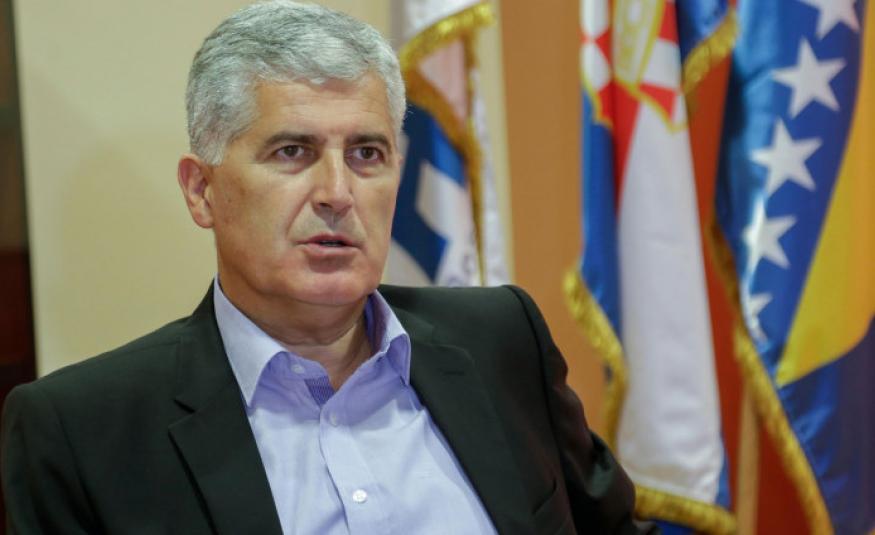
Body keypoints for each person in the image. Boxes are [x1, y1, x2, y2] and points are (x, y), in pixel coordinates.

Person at [1, 2, 651, 533]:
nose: (338, 193)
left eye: (367, 153)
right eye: (292, 151)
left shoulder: (502, 341)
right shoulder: (81, 432)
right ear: (202, 191)